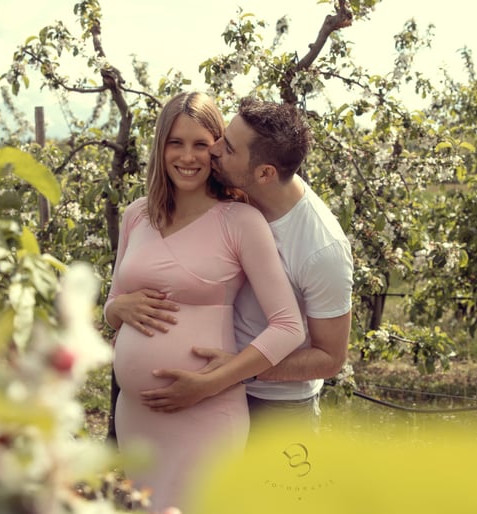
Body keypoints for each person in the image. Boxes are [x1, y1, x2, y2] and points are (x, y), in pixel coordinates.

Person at [103, 92, 304, 512]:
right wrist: (115, 310)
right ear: (160, 147)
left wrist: (211, 383)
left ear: (216, 149)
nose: (187, 157)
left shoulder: (240, 221)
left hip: (207, 413)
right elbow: (114, 303)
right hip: (137, 418)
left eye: (200, 144)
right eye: (175, 143)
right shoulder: (137, 215)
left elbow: (288, 327)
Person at [130, 98, 354, 431]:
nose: (214, 149)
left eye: (229, 148)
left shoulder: (322, 250)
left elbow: (330, 358)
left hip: (275, 408)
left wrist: (234, 371)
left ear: (264, 173)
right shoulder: (231, 197)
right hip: (206, 399)